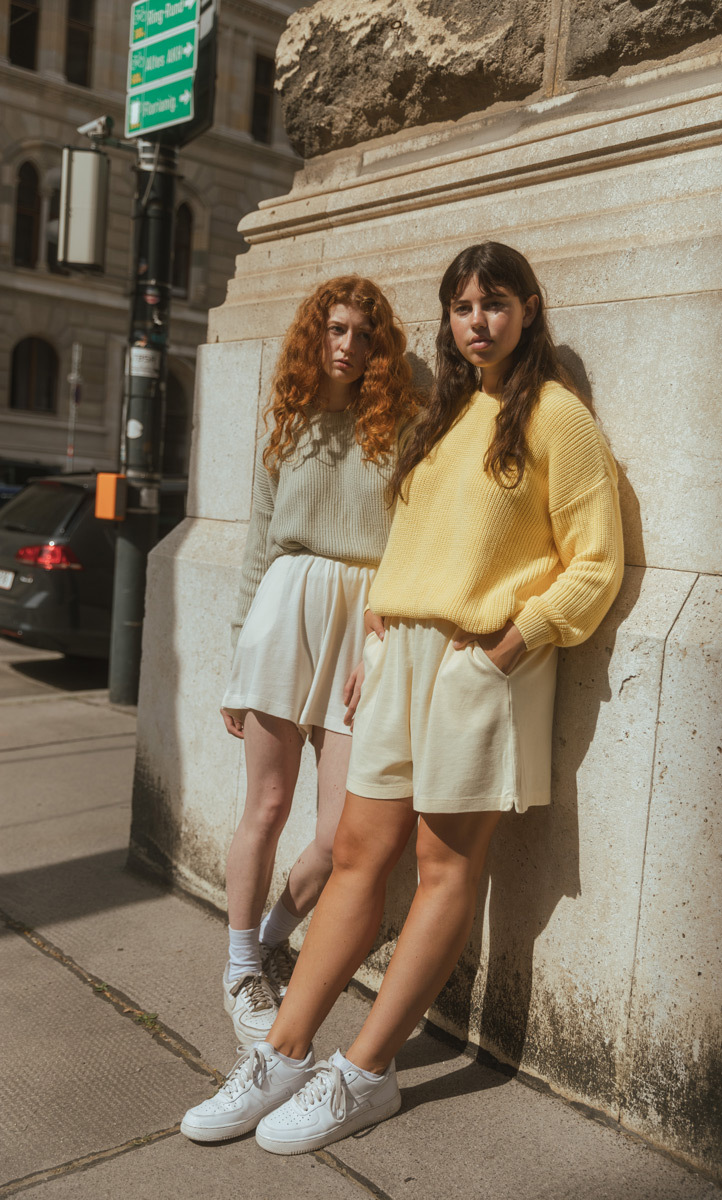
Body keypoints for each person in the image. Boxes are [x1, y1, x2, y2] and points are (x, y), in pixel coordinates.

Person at [181, 241, 624, 1149]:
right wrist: (378, 623)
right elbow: (408, 540)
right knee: (355, 854)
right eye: (463, 308)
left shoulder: (556, 417)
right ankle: (285, 1052)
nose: (478, 322)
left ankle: (366, 1070)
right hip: (395, 657)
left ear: (529, 310)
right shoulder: (443, 417)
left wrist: (507, 648)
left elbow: (596, 564)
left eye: (495, 304)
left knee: (445, 870)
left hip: (478, 662)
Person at [214, 276, 418, 1049]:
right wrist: (238, 654)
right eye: (336, 329)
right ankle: (239, 965)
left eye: (365, 334)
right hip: (282, 610)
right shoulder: (287, 423)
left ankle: (270, 935)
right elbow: (255, 548)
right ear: (314, 333)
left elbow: (409, 539)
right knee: (264, 808)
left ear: (381, 346)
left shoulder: (398, 427)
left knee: (340, 834)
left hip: (362, 623)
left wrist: (388, 631)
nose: (349, 345)